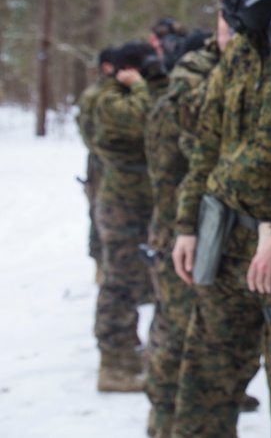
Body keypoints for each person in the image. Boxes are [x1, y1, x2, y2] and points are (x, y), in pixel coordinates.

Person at [171, 0, 271, 438]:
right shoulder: (242, 51)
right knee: (203, 390)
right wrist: (187, 226)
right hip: (223, 237)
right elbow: (208, 144)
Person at [143, 22, 220, 438]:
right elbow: (176, 167)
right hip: (176, 230)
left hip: (178, 229)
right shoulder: (172, 110)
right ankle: (163, 421)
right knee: (175, 334)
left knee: (174, 329)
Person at [91, 40, 169, 392]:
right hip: (121, 204)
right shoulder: (105, 98)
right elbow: (141, 120)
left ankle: (129, 353)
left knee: (138, 282)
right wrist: (138, 85)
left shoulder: (129, 93)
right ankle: (114, 363)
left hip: (140, 202)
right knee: (120, 283)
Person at [76, 45, 118, 278]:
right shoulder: (96, 95)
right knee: (99, 213)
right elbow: (88, 134)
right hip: (100, 166)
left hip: (113, 166)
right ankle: (100, 266)